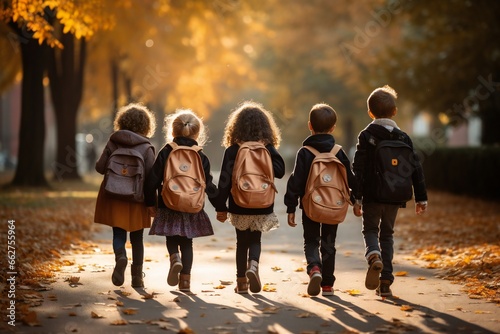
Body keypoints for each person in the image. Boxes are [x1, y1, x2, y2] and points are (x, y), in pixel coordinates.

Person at [352, 85, 428, 297]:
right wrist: (421, 197)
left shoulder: (367, 135)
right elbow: (416, 168)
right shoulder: (404, 138)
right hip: (395, 196)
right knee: (387, 234)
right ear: (394, 112)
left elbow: (358, 168)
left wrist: (355, 197)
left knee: (370, 230)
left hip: (372, 195)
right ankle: (385, 281)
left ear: (370, 113)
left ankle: (373, 255)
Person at [284, 103, 359, 297]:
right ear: (333, 128)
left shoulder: (305, 152)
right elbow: (349, 178)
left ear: (310, 125)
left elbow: (296, 181)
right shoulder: (338, 152)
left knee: (311, 240)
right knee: (329, 243)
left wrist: (291, 206)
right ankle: (327, 285)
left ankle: (314, 268)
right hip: (334, 206)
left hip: (310, 206)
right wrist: (357, 199)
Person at [144, 109, 217, 292]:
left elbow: (152, 180)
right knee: (187, 242)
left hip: (168, 202)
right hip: (192, 205)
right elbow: (208, 184)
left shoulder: (167, 151)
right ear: (197, 132)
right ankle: (185, 281)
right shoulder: (200, 155)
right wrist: (220, 206)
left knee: (172, 237)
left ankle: (174, 257)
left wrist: (149, 203)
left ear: (173, 131)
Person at [215, 101, 285, 294]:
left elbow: (224, 181)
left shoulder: (233, 150)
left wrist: (221, 207)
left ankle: (241, 283)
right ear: (266, 127)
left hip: (239, 203)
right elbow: (280, 172)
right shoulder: (268, 148)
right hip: (263, 203)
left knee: (241, 242)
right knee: (256, 239)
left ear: (236, 127)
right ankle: (253, 265)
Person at [94, 102, 156, 288]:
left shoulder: (113, 141)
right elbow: (151, 178)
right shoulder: (146, 148)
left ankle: (120, 255)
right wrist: (153, 203)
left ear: (121, 121)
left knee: (118, 231)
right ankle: (137, 277)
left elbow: (99, 167)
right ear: (146, 125)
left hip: (114, 196)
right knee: (137, 239)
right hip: (137, 199)